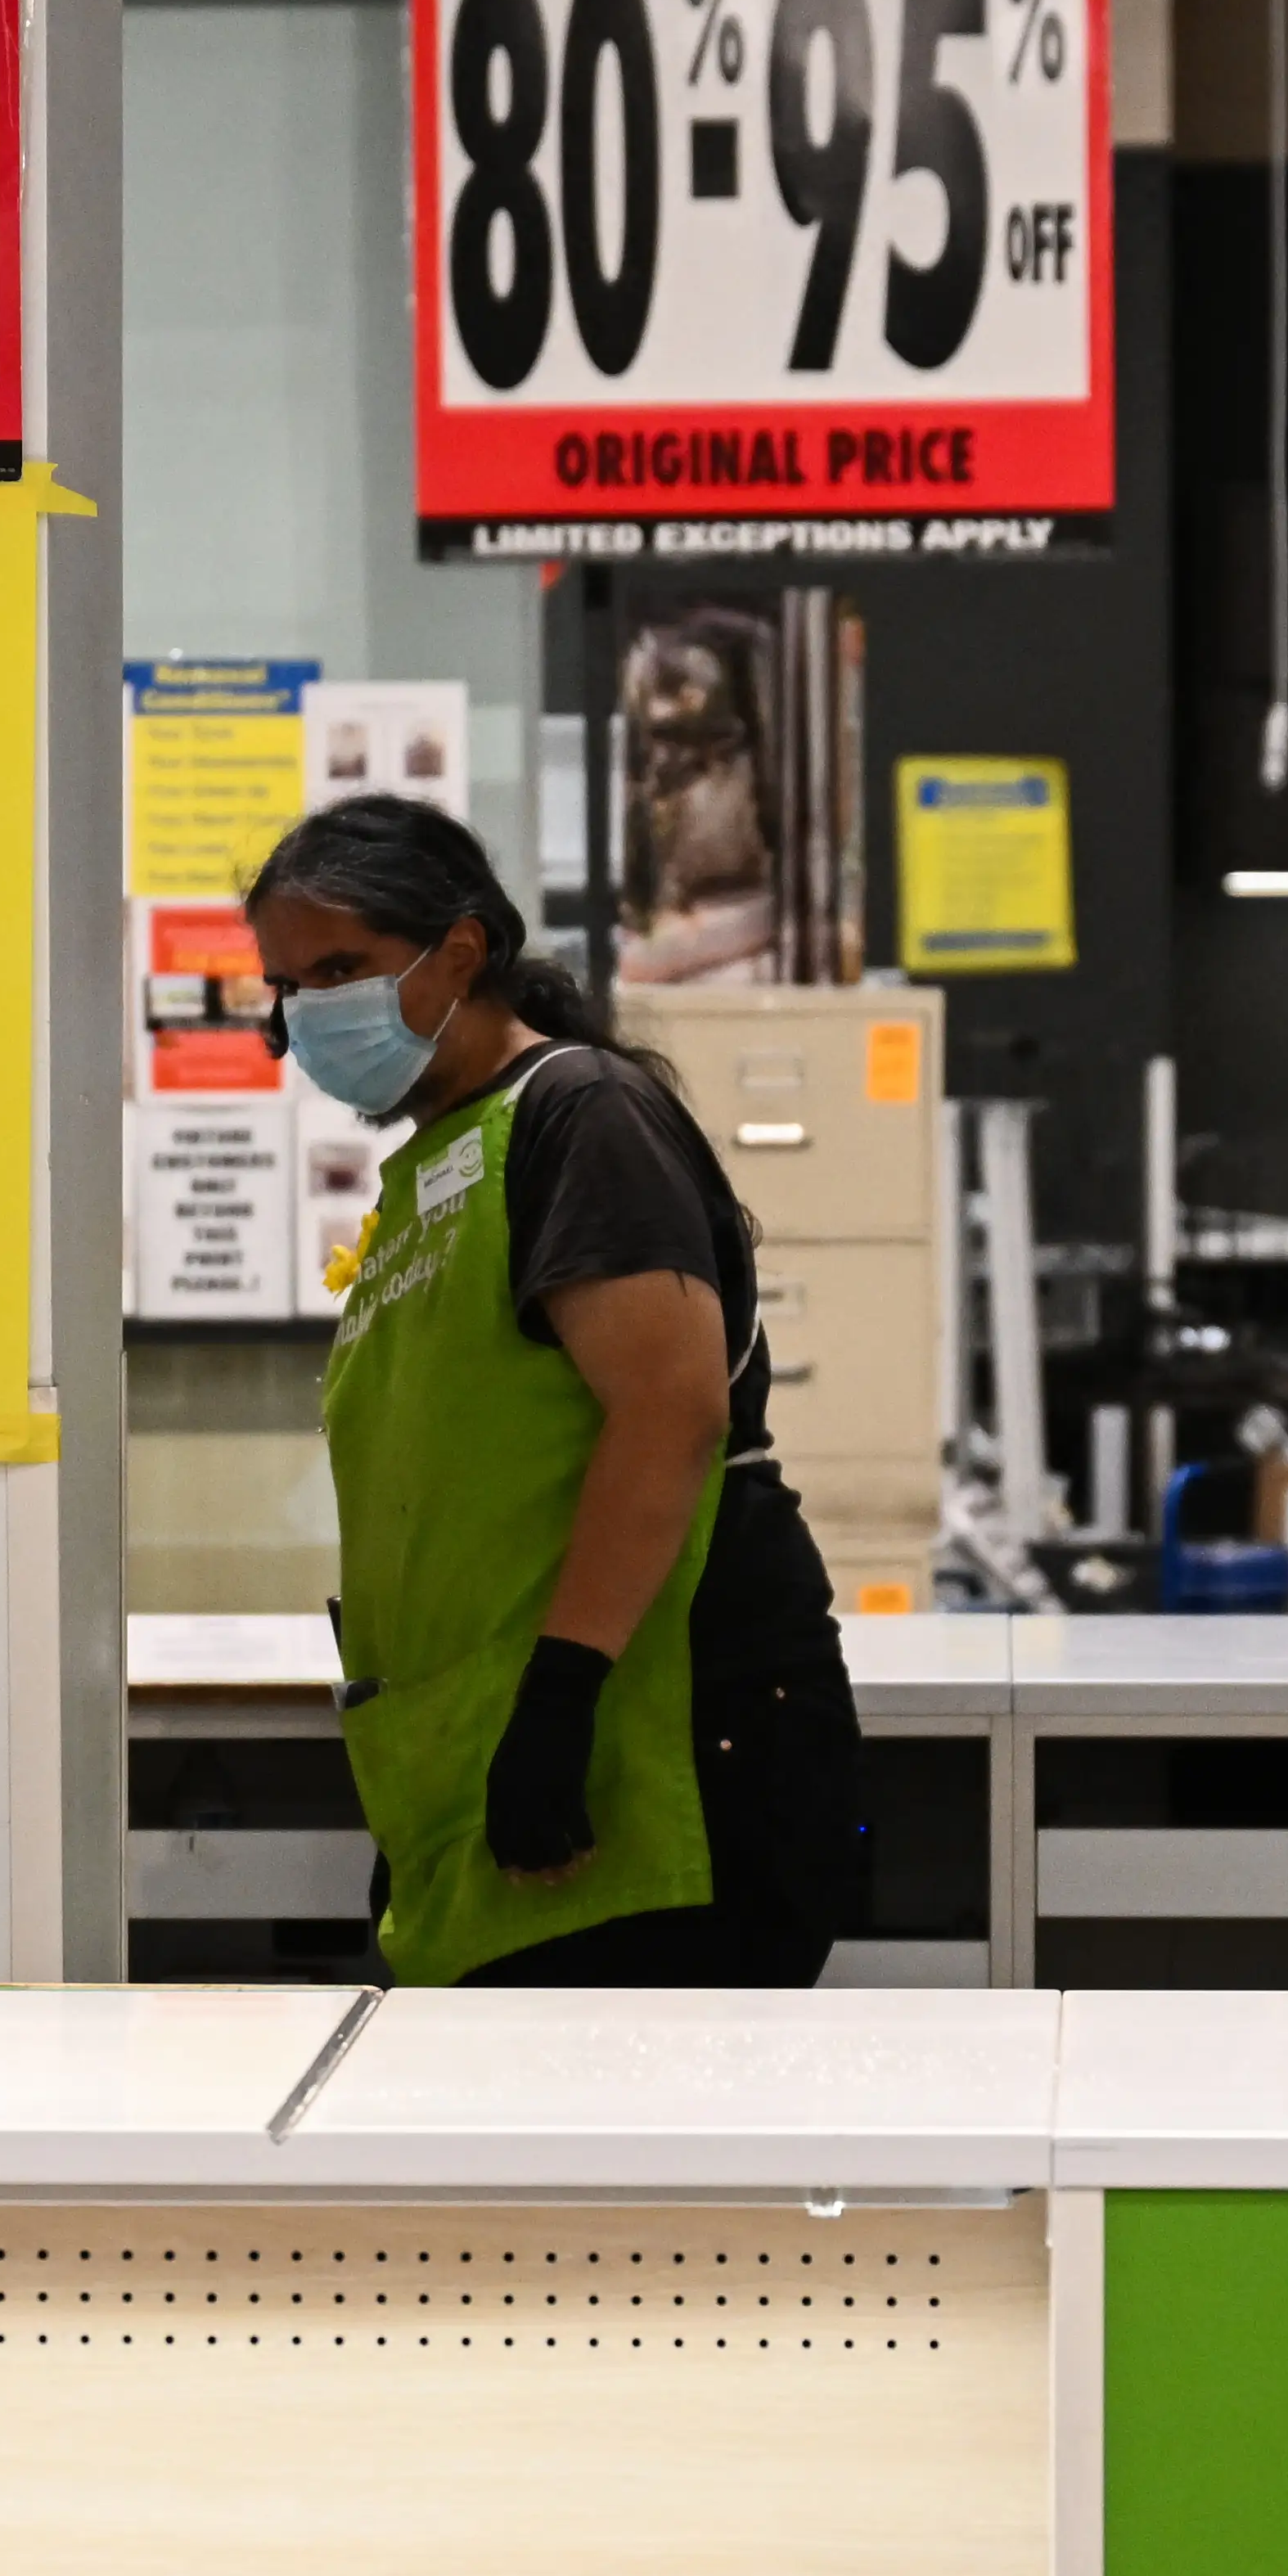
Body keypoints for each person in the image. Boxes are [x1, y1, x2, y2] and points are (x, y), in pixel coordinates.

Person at [245, 792, 868, 1987]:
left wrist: (559, 1705)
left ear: (464, 952)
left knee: (633, 2156)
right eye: (286, 986)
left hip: (650, 1735)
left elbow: (671, 1411)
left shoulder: (582, 1116)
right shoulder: (443, 1158)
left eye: (341, 968)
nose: (309, 1012)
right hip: (494, 1740)